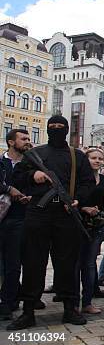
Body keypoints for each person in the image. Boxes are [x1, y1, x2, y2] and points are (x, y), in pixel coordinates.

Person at [8, 116, 95, 330]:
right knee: (33, 263)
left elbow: (88, 183)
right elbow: (17, 177)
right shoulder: (35, 154)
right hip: (38, 213)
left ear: (67, 130)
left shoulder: (77, 156)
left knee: (67, 264)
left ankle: (69, 308)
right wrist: (33, 174)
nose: (56, 130)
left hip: (66, 214)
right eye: (53, 127)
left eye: (60, 127)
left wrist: (78, 200)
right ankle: (28, 310)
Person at [0, 129, 32, 320]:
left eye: (29, 138)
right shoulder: (2, 163)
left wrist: (31, 197)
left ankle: (9, 301)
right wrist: (9, 188)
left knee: (14, 263)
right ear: (11, 142)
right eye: (24, 139)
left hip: (21, 218)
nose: (28, 142)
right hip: (3, 216)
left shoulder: (31, 164)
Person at [76, 147, 104, 314]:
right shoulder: (79, 179)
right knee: (76, 264)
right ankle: (74, 301)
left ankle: (87, 301)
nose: (97, 161)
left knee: (89, 264)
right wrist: (83, 208)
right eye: (93, 158)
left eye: (99, 158)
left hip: (96, 225)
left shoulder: (103, 180)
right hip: (79, 223)